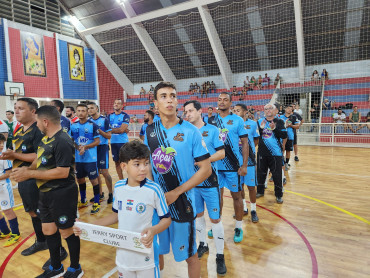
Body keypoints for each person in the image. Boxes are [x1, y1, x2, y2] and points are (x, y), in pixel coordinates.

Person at [73, 140, 171, 278]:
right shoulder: (119, 187)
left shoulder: (154, 189)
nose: (143, 168)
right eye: (137, 164)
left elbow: (166, 219)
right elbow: (115, 216)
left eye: (146, 163)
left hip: (146, 257)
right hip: (123, 257)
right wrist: (87, 225)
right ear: (124, 166)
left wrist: (154, 230)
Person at [144, 81, 212, 278]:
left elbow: (206, 170)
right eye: (163, 96)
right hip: (157, 204)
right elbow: (147, 164)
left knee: (190, 255)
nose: (169, 100)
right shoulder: (149, 131)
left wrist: (176, 192)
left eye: (172, 95)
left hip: (183, 202)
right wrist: (151, 191)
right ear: (155, 103)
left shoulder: (191, 131)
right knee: (157, 251)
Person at [11, 105, 82, 278]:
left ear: (45, 121)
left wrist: (30, 173)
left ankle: (75, 268)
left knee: (66, 231)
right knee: (48, 230)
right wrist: (22, 171)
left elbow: (62, 172)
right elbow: (39, 161)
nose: (36, 125)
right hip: (45, 193)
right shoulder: (45, 139)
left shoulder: (63, 140)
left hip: (62, 194)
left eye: (37, 122)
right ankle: (56, 267)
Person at [0, 98, 49, 256]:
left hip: (35, 177)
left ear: (33, 111)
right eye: (15, 108)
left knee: (41, 212)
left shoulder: (38, 129)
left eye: (21, 108)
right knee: (32, 212)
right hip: (23, 177)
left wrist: (14, 154)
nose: (16, 111)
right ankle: (42, 241)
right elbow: (21, 154)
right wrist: (11, 157)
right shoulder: (19, 130)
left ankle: (53, 245)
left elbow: (39, 155)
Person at [183, 100, 227, 276]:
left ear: (200, 111)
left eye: (191, 111)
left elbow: (222, 152)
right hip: (193, 183)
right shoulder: (185, 132)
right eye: (185, 112)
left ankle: (220, 255)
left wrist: (204, 160)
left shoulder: (212, 130)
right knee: (198, 216)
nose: (188, 114)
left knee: (215, 219)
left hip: (210, 182)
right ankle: (203, 244)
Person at [210, 92, 249, 243]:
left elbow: (245, 143)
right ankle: (216, 224)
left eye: (225, 100)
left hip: (234, 166)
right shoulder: (211, 120)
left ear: (230, 104)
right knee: (217, 196)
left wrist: (244, 165)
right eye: (219, 99)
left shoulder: (237, 120)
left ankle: (238, 226)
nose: (222, 102)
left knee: (236, 196)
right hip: (216, 167)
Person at [70, 104, 101, 214]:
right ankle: (83, 200)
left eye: (83, 111)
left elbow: (98, 141)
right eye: (78, 110)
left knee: (93, 180)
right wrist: (78, 147)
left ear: (87, 112)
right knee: (80, 179)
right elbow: (72, 140)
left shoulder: (93, 125)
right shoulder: (73, 126)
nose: (80, 113)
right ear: (76, 112)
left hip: (90, 159)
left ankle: (96, 202)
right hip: (79, 159)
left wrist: (86, 147)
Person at [256, 104, 287, 203]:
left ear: (275, 110)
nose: (268, 110)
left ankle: (278, 195)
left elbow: (284, 135)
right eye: (266, 109)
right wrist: (261, 129)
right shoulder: (259, 122)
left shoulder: (280, 121)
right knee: (260, 173)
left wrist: (274, 129)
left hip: (276, 153)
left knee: (277, 175)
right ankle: (260, 191)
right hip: (262, 152)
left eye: (270, 108)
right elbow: (256, 136)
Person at [234, 104, 260, 223]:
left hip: (249, 160)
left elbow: (256, 138)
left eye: (238, 111)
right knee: (240, 187)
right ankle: (244, 207)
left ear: (245, 112)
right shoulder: (232, 124)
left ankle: (253, 210)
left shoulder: (253, 124)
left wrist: (249, 151)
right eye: (234, 110)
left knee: (251, 186)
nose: (235, 112)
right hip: (235, 160)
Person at [88, 102, 113, 204]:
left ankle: (111, 193)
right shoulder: (88, 121)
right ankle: (100, 193)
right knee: (96, 172)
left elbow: (109, 136)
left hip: (102, 147)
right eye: (88, 108)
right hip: (93, 149)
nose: (90, 110)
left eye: (92, 108)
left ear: (97, 108)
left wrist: (98, 130)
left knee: (105, 172)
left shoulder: (104, 120)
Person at [0, 133, 21, 247]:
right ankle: (5, 232)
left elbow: (8, 174)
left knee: (7, 211)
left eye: (2, 143)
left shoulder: (5, 156)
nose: (1, 145)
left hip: (3, 187)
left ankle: (16, 234)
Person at [108, 99, 130, 180]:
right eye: (115, 103)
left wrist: (111, 130)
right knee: (117, 163)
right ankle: (122, 181)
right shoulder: (109, 116)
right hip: (113, 143)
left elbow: (121, 130)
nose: (116, 104)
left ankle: (130, 180)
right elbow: (106, 129)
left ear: (122, 106)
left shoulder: (125, 116)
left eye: (118, 103)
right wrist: (120, 129)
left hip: (123, 143)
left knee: (126, 163)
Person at [279, 105, 300, 171]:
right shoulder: (280, 117)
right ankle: (280, 163)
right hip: (281, 136)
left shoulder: (294, 117)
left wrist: (291, 125)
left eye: (291, 109)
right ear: (285, 109)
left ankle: (286, 164)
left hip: (290, 136)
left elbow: (297, 126)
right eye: (288, 108)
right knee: (281, 150)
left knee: (288, 151)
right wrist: (284, 126)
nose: (289, 109)